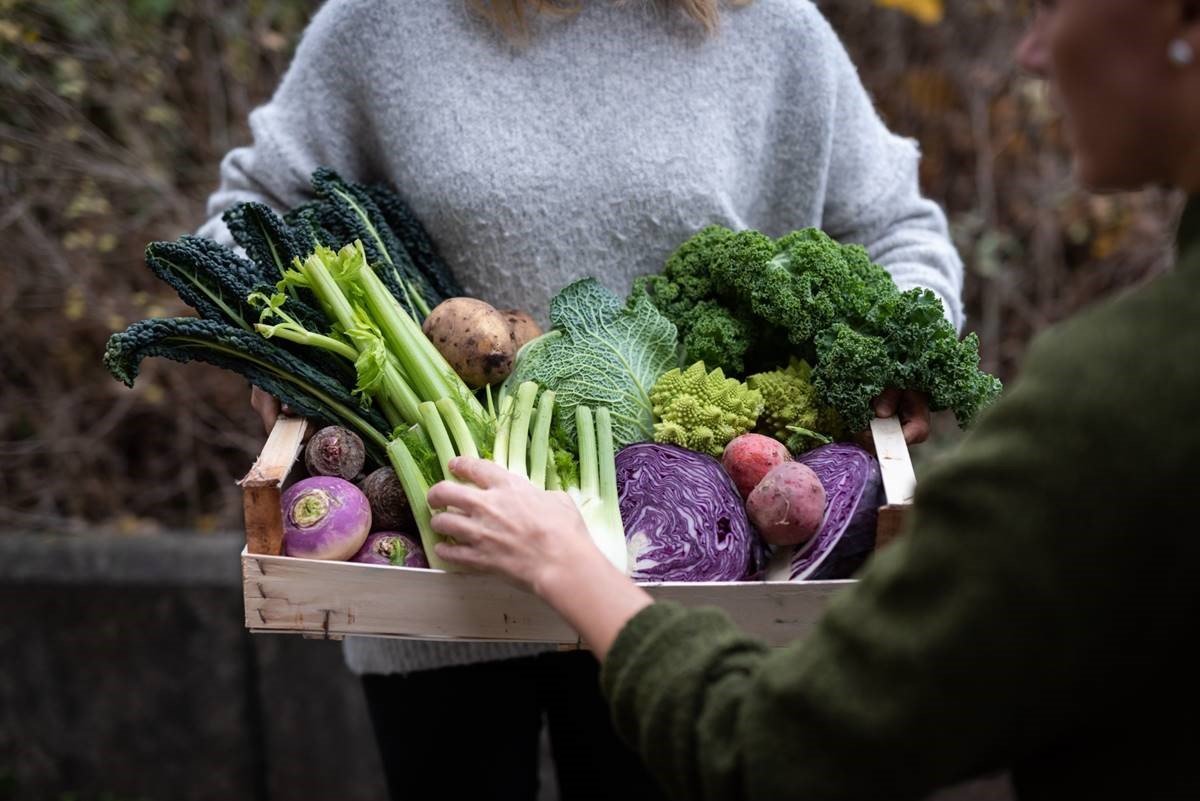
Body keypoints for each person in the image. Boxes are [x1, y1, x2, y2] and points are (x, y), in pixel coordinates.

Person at [421, 0, 1200, 798]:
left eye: (1053, 5)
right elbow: (278, 181)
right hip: (428, 595)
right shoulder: (386, 21)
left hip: (711, 600)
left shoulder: (1124, 398)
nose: (1030, 51)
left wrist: (901, 342)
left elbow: (776, 746)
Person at [199, 0, 965, 797]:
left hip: (688, 586)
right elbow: (249, 214)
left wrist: (907, 347)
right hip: (437, 574)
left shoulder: (772, 27)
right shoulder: (380, 23)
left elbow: (898, 229)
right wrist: (280, 354)